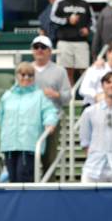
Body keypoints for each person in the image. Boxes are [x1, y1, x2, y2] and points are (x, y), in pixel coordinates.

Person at [0, 62, 58, 182]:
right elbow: (1, 118)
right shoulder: (7, 96)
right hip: (9, 145)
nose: (26, 78)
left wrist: (49, 123)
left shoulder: (40, 95)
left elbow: (49, 111)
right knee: (12, 179)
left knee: (23, 177)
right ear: (17, 76)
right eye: (23, 74)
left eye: (30, 75)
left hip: (28, 144)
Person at [31, 35, 72, 172]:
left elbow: (68, 97)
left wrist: (56, 94)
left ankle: (49, 189)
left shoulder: (60, 71)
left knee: (49, 158)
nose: (39, 50)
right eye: (36, 47)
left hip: (52, 120)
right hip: (30, 119)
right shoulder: (26, 69)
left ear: (50, 51)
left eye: (43, 47)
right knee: (29, 158)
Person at [50, 0, 96, 84]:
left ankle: (86, 98)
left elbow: (93, 22)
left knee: (84, 70)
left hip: (81, 42)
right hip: (65, 41)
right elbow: (52, 18)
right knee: (66, 71)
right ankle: (70, 98)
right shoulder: (60, 2)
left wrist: (88, 30)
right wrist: (67, 20)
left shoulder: (84, 2)